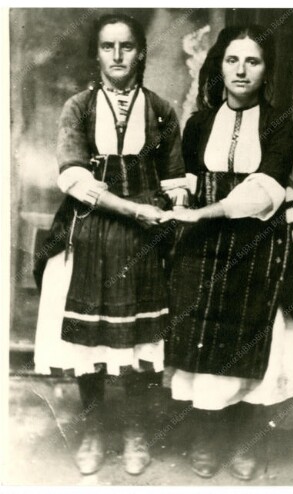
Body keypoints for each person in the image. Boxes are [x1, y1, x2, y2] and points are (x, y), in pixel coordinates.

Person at [34, 13, 187, 476]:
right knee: (90, 343)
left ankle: (137, 429)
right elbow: (74, 179)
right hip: (90, 231)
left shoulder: (161, 109)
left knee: (141, 340)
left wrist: (174, 208)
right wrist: (134, 209)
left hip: (145, 240)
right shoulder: (78, 107)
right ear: (97, 53)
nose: (117, 56)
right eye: (107, 47)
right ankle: (94, 427)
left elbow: (175, 177)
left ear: (141, 52)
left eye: (126, 47)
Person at [160, 25, 293, 480]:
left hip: (257, 242)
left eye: (253, 61)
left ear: (267, 71)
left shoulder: (280, 122)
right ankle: (208, 434)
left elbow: (266, 189)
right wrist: (182, 200)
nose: (241, 70)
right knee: (204, 335)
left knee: (254, 335)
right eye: (232, 60)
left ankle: (246, 436)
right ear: (220, 66)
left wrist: (207, 212)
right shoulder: (201, 121)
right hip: (203, 247)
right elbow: (184, 173)